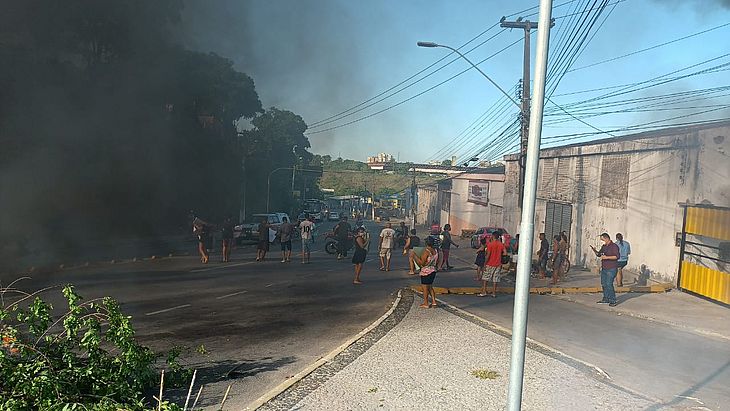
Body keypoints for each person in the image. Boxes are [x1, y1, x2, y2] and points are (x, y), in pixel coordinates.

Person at [590, 233, 621, 306]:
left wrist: (607, 257)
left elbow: (616, 256)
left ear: (607, 238)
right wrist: (595, 251)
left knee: (609, 284)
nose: (602, 242)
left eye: (603, 240)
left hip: (611, 268)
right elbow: (600, 254)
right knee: (604, 284)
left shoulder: (614, 246)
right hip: (604, 268)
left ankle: (613, 299)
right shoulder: (604, 246)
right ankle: (606, 298)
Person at [413, 236, 439, 308]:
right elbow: (437, 261)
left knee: (425, 289)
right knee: (430, 287)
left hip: (426, 271)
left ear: (426, 243)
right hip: (433, 270)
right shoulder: (436, 251)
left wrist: (415, 256)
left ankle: (426, 303)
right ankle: (434, 302)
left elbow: (422, 263)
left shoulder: (426, 251)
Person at [479, 233, 507, 297]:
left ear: (493, 236)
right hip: (498, 264)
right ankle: (494, 293)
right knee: (495, 279)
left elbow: (488, 255)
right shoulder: (501, 244)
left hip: (490, 263)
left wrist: (485, 263)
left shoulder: (490, 245)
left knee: (485, 278)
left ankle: (484, 291)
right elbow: (505, 253)